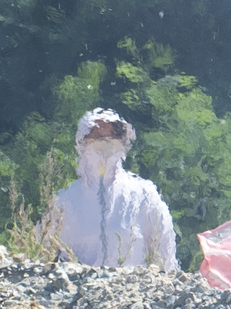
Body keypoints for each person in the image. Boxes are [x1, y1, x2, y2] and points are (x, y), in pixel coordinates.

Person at [48, 107, 177, 269]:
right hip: (77, 284)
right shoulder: (64, 201)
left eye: (112, 136)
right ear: (82, 144)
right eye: (97, 136)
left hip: (133, 284)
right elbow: (44, 255)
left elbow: (165, 250)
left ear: (122, 142)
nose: (104, 143)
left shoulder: (144, 195)